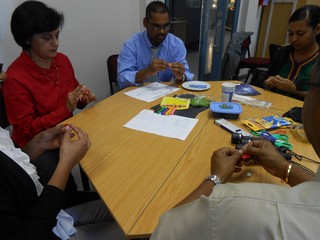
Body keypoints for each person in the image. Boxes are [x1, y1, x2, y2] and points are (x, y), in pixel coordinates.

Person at [150, 57, 320, 239]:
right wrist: (283, 167)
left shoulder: (236, 205)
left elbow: (166, 230)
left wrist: (216, 177)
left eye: (309, 89)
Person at [0, 124, 125, 240]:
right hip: (42, 224)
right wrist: (66, 164)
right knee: (127, 228)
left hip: (47, 210)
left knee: (121, 207)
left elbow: (13, 170)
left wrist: (39, 144)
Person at [3, 1, 96, 148]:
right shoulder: (15, 77)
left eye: (57, 35)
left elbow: (75, 98)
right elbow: (27, 130)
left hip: (65, 131)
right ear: (27, 39)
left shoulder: (62, 60)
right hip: (37, 146)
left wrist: (82, 98)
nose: (56, 43)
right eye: (46, 38)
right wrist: (66, 108)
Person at [117, 1, 194, 89]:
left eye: (166, 26)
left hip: (163, 94)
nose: (162, 31)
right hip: (136, 95)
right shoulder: (131, 44)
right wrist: (148, 71)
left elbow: (187, 76)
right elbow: (122, 79)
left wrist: (180, 77)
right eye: (156, 26)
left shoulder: (176, 44)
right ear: (145, 23)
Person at [263, 4, 320, 100]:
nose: (293, 39)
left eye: (300, 34)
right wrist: (269, 83)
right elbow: (266, 80)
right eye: (290, 33)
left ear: (317, 29)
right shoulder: (282, 53)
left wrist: (294, 89)